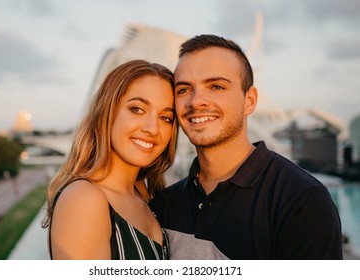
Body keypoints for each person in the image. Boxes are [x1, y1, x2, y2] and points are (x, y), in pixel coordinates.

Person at [149, 35, 343, 259]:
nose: (196, 101)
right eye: (183, 89)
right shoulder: (166, 203)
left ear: (249, 100)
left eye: (216, 86)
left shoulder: (301, 200)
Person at [42, 59, 178, 260]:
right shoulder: (84, 199)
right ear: (107, 111)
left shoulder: (143, 192)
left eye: (165, 118)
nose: (152, 128)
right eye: (137, 109)